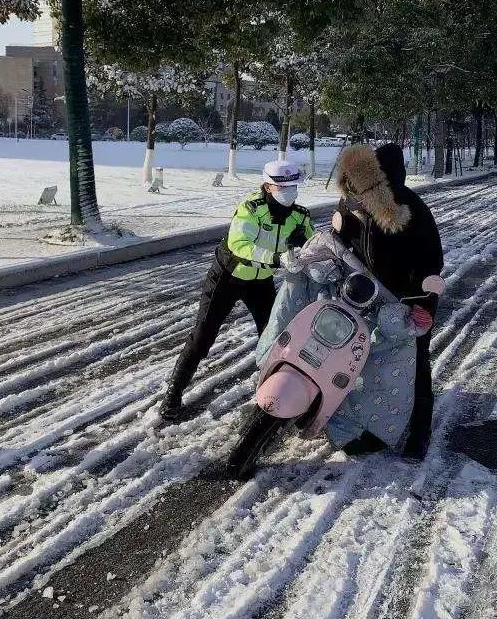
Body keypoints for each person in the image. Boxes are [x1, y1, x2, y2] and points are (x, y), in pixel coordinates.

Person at [160, 160, 315, 423]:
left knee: (276, 338)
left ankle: (278, 395)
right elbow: (239, 245)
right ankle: (171, 398)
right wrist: (278, 258)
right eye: (283, 187)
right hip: (227, 278)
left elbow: (314, 244)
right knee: (202, 337)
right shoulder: (250, 209)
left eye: (294, 187)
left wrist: (308, 245)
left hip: (260, 282)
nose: (290, 192)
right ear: (268, 186)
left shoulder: (300, 215)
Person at [332, 143, 444, 459]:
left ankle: (420, 432)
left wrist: (424, 307)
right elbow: (336, 246)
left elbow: (431, 262)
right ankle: (364, 421)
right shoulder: (351, 205)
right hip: (363, 299)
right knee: (362, 360)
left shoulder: (411, 209)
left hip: (409, 302)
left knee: (418, 362)